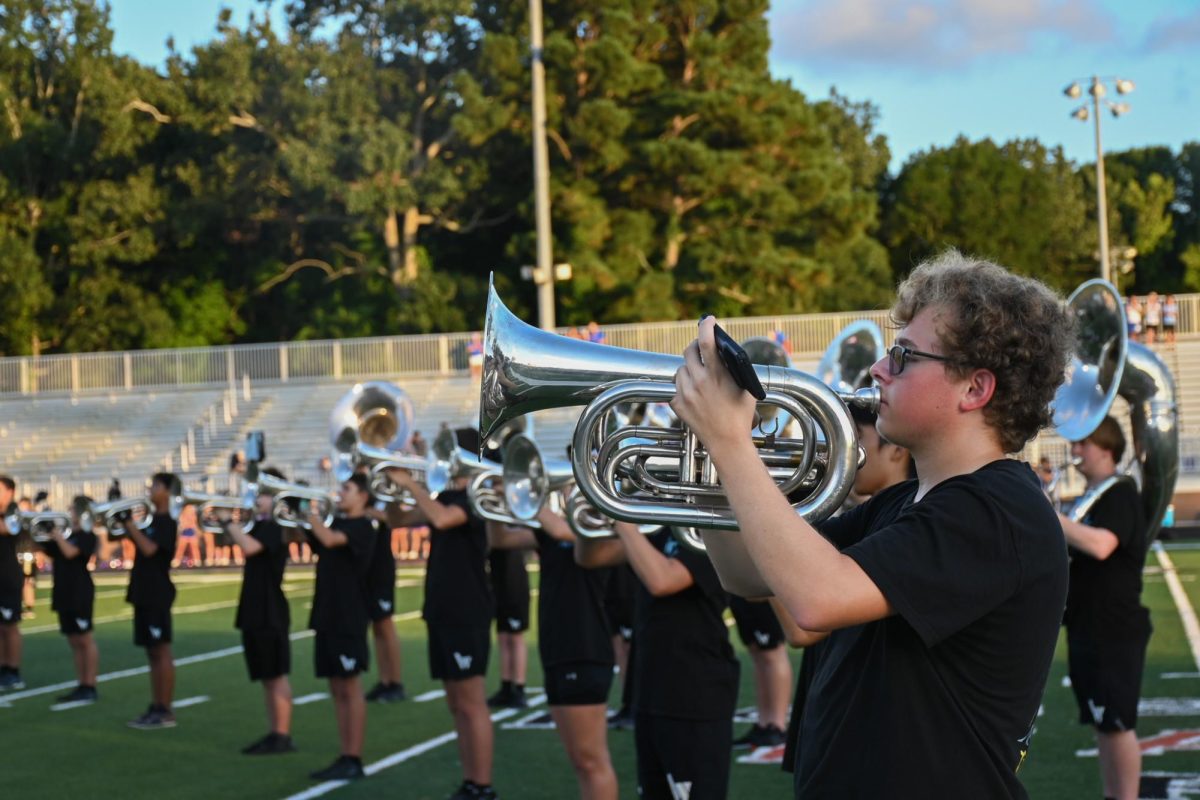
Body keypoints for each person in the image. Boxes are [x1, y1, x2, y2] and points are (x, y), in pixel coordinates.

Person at [671, 251, 1073, 797]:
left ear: (975, 389)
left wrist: (729, 441)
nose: (879, 369)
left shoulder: (999, 509)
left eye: (904, 357)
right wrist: (709, 460)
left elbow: (817, 598)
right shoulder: (905, 501)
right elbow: (749, 578)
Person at [577, 522, 739, 800]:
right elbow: (590, 558)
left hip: (695, 693)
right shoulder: (660, 526)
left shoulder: (712, 530)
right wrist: (587, 520)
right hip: (651, 688)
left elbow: (662, 581)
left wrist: (622, 522)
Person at [385, 428, 498, 800]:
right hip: (442, 608)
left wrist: (413, 483)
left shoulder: (476, 496)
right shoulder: (446, 494)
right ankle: (470, 782)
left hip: (467, 609)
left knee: (471, 701)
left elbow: (444, 519)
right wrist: (394, 486)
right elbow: (398, 520)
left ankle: (482, 786)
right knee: (456, 703)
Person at [488, 505, 619, 799]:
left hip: (585, 649)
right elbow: (501, 541)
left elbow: (562, 530)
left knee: (591, 760)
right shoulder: (552, 530)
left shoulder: (597, 524)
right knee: (580, 762)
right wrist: (494, 509)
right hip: (556, 649)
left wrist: (526, 499)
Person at [1058, 417, 1151, 800]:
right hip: (1088, 625)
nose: (1075, 452)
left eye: (1084, 444)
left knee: (1116, 722)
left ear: (1107, 448)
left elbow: (1101, 545)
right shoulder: (1090, 495)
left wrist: (1052, 518)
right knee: (1103, 722)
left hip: (1112, 628)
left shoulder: (1120, 494)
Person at [304, 473, 377, 781]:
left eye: (346, 489)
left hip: (349, 615)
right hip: (327, 612)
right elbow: (318, 541)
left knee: (349, 684)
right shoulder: (337, 522)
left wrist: (311, 516)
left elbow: (331, 540)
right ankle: (345, 753)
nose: (340, 493)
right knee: (336, 686)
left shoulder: (362, 527)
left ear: (363, 496)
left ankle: (354, 756)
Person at [226, 470, 297, 755]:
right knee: (267, 676)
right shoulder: (261, 523)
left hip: (269, 609)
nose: (258, 499)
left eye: (264, 494)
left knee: (275, 674)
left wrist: (225, 521)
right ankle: (275, 732)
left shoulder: (275, 525)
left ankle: (282, 734)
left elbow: (250, 547)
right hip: (255, 607)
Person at [124, 472, 181, 729]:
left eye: (156, 485)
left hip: (157, 591)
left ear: (168, 491)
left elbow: (149, 549)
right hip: (143, 590)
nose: (151, 489)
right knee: (152, 651)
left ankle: (165, 709)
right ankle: (156, 704)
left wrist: (130, 526)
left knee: (161, 649)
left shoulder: (167, 521)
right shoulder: (149, 519)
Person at [38, 495, 100, 704]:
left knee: (85, 639)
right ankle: (81, 683)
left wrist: (56, 533)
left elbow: (71, 552)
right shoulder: (67, 534)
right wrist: (41, 530)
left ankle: (90, 684)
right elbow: (45, 550)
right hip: (63, 590)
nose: (69, 511)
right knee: (74, 640)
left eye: (73, 509)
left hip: (80, 592)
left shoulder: (87, 535)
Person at [728, 595, 790, 749]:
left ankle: (777, 726)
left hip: (763, 589)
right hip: (743, 587)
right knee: (757, 652)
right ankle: (763, 723)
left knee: (772, 652)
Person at [364, 496, 406, 704]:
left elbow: (394, 519)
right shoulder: (366, 493)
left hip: (381, 566)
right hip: (367, 567)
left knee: (385, 624)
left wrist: (371, 512)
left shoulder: (384, 494)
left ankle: (396, 682)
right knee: (376, 626)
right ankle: (384, 679)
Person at [486, 546, 530, 709]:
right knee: (503, 636)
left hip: (513, 582)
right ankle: (506, 686)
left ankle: (519, 687)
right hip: (498, 580)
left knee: (515, 636)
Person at [0, 476, 26, 691]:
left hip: (7, 576)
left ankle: (13, 671)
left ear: (9, 492)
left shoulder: (13, 511)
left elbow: (7, 529)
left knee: (10, 626)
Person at [174, 502, 201, 568]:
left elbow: (195, 523)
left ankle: (197, 561)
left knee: (195, 548)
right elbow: (182, 524)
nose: (190, 509)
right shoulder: (182, 515)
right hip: (184, 533)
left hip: (192, 533)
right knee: (180, 548)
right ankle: (177, 560)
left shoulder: (194, 515)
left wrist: (196, 530)